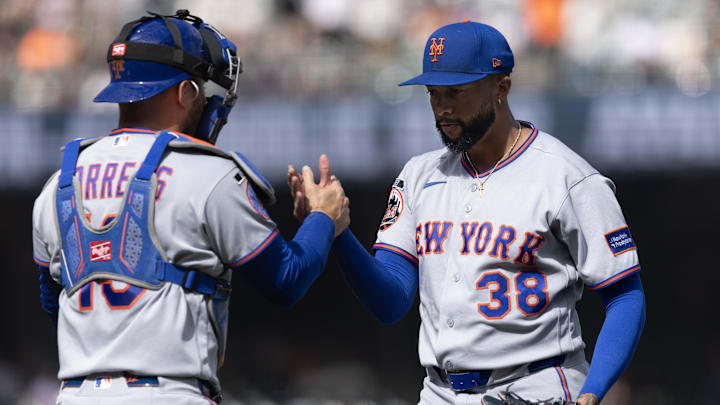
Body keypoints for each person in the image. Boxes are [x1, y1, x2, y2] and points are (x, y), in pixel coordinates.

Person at [289, 21, 645, 404]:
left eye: (456, 92)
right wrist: (339, 234)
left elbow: (624, 295)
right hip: (440, 392)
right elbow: (390, 301)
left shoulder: (567, 177)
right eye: (433, 93)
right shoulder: (418, 175)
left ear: (501, 88)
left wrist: (594, 390)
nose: (442, 107)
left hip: (536, 387)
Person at [32, 10, 348, 405]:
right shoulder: (207, 173)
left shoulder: (58, 182)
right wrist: (323, 218)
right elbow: (287, 279)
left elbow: (53, 302)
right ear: (185, 94)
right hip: (171, 394)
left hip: (76, 394)